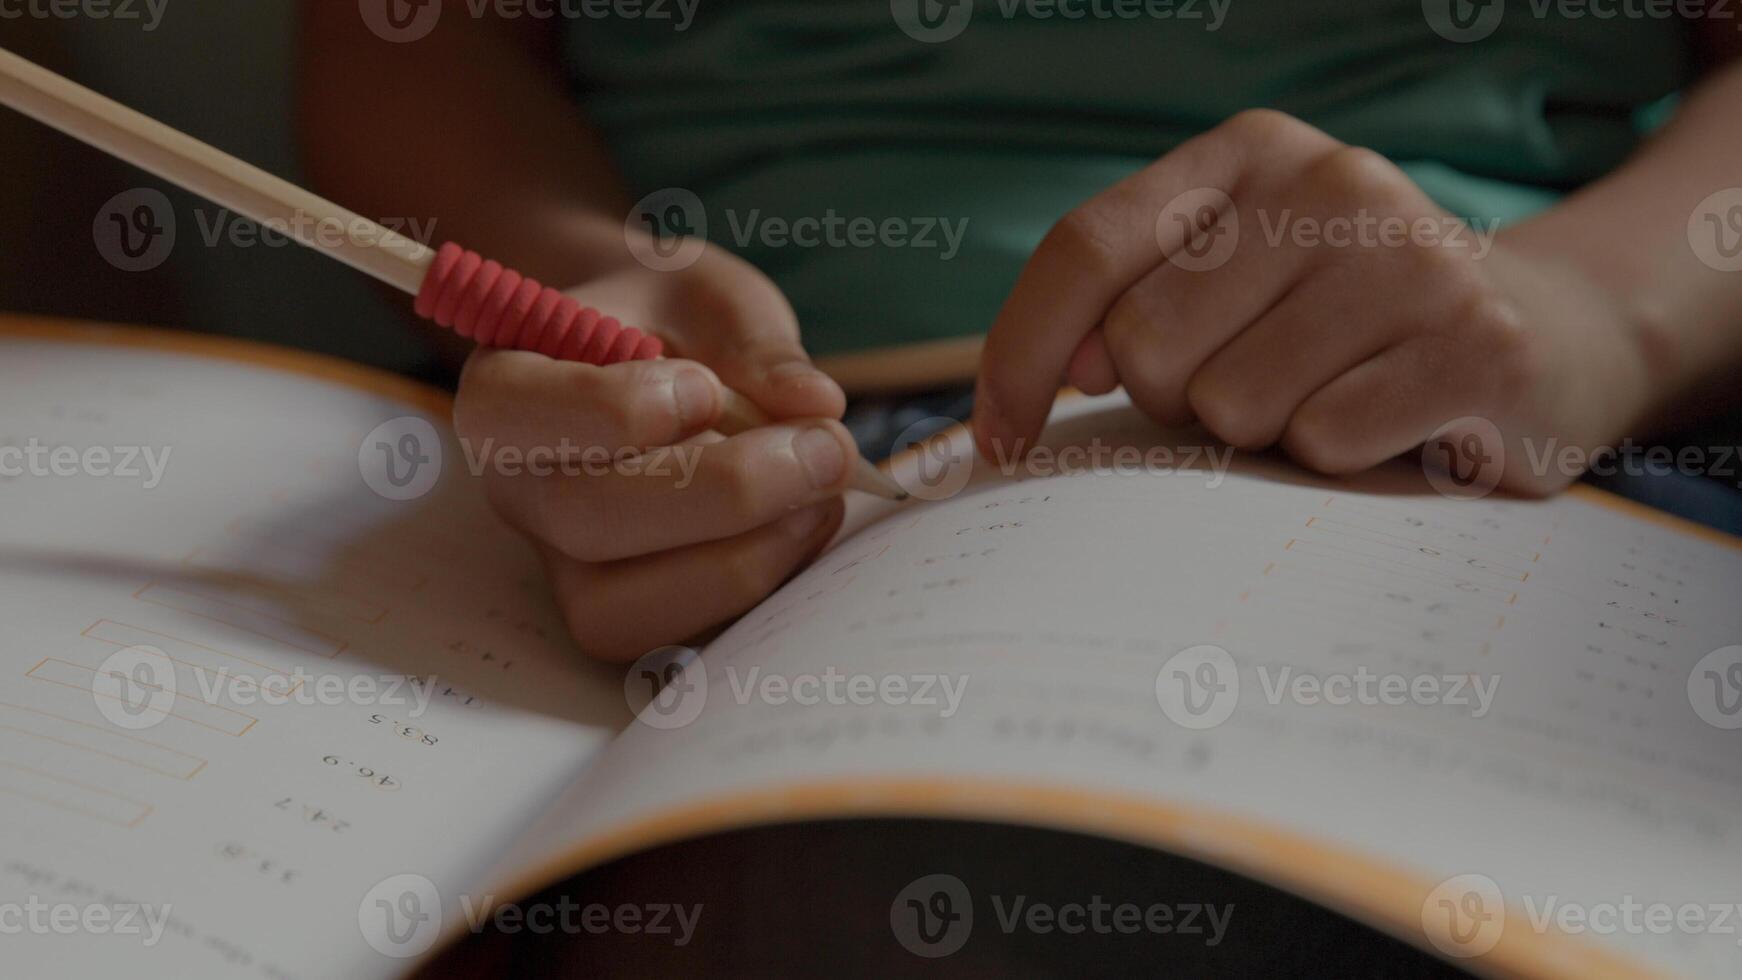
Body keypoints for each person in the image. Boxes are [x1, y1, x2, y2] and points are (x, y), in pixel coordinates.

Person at [299, 3, 1742, 660]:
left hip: (1508, 426)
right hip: (748, 440)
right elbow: (409, 37)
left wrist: (1587, 316)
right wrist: (586, 284)